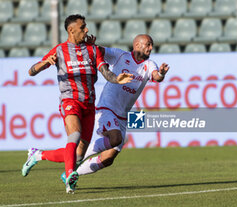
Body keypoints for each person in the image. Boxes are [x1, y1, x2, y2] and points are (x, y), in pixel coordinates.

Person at [21, 14, 133, 194]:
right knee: (74, 135)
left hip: (89, 105)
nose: (86, 30)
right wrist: (43, 64)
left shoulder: (92, 50)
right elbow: (31, 71)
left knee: (78, 154)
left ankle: (38, 154)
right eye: (83, 27)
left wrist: (116, 79)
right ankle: (70, 178)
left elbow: (105, 72)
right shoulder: (60, 50)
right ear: (71, 30)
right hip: (70, 100)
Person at [61, 34, 169, 185]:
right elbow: (98, 51)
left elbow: (156, 77)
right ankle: (78, 158)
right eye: (148, 44)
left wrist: (162, 73)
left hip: (123, 116)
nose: (151, 48)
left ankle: (73, 174)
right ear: (137, 45)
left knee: (108, 158)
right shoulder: (120, 55)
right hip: (107, 108)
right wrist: (91, 45)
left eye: (151, 45)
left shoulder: (150, 64)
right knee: (116, 138)